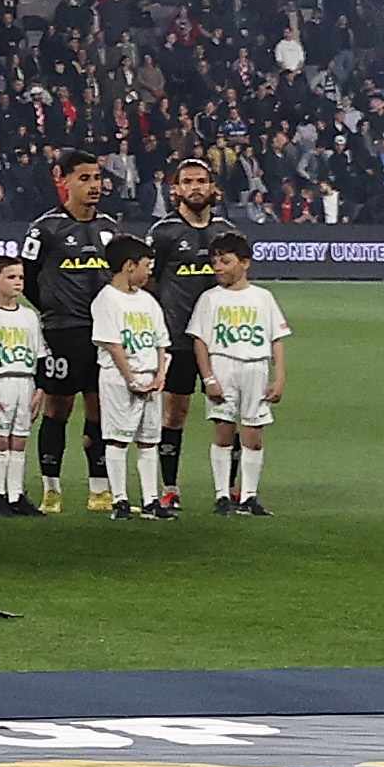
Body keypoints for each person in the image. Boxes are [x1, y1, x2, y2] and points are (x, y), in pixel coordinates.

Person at [14, 151, 115, 506]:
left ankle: (99, 488)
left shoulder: (110, 230)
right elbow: (25, 278)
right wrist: (52, 308)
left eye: (97, 178)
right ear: (65, 180)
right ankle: (51, 490)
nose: (94, 186)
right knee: (57, 407)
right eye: (84, 178)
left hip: (104, 335)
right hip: (62, 332)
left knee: (100, 407)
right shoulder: (45, 228)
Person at [187, 232, 292, 513]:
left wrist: (279, 377)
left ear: (245, 263)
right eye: (215, 262)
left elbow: (276, 339)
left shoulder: (263, 297)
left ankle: (249, 496)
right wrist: (208, 377)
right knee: (223, 432)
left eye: (225, 261)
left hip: (255, 366)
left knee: (254, 436)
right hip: (223, 365)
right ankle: (222, 494)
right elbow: (201, 341)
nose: (218, 267)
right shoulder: (210, 298)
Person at [147, 153, 230, 513]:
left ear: (212, 187)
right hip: (179, 340)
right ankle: (169, 488)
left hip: (222, 341)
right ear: (175, 190)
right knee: (175, 413)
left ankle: (229, 491)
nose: (195, 188)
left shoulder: (226, 232)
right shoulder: (163, 233)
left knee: (229, 412)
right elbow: (148, 281)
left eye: (201, 181)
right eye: (187, 182)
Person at [85, 241, 175, 520]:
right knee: (117, 439)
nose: (150, 272)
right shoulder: (106, 299)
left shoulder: (148, 300)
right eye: (146, 265)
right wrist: (132, 380)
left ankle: (151, 501)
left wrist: (160, 376)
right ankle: (120, 500)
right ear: (129, 265)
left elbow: (161, 341)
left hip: (150, 378)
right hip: (118, 379)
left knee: (149, 440)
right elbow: (113, 345)